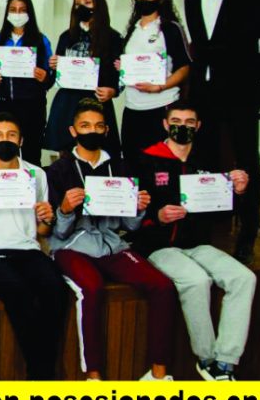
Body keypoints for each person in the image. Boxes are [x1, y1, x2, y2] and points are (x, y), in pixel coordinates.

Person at [46, 98, 174, 381]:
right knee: (92, 288)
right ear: (73, 131)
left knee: (163, 286)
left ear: (106, 130)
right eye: (85, 126)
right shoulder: (57, 170)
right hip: (72, 247)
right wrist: (64, 210)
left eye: (98, 126)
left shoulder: (121, 166)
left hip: (112, 245)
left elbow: (129, 226)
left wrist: (138, 208)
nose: (92, 131)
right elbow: (58, 232)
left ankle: (158, 375)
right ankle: (93, 377)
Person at [128, 101, 256, 381]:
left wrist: (238, 192)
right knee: (197, 281)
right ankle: (206, 357)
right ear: (165, 124)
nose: (182, 127)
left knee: (244, 278)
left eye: (188, 123)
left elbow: (223, 212)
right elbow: (131, 211)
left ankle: (225, 361)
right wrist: (157, 215)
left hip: (198, 245)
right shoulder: (145, 158)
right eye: (176, 121)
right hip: (158, 246)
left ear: (198, 126)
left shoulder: (206, 160)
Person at [183, 0, 260, 265]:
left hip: (240, 95)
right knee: (205, 160)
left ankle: (247, 234)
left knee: (245, 161)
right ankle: (206, 227)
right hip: (204, 95)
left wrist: (250, 80)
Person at [0, 112, 67, 380]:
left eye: (11, 135)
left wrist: (47, 218)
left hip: (28, 248)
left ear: (21, 140)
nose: (4, 139)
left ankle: (40, 372)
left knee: (56, 289)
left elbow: (42, 231)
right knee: (17, 292)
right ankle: (43, 376)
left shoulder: (36, 174)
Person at [119, 0, 192, 167]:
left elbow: (184, 67)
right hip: (132, 108)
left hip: (160, 107)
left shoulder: (170, 28)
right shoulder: (132, 30)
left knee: (160, 167)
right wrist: (122, 67)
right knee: (132, 164)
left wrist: (160, 87)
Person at [44, 0, 123, 157]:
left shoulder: (113, 37)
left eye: (87, 2)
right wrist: (54, 66)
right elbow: (54, 77)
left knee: (100, 153)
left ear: (98, 5)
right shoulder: (66, 36)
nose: (82, 7)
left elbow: (121, 75)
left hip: (97, 102)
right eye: (77, 3)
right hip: (67, 104)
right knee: (66, 157)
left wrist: (113, 91)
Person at [0, 0, 54, 166]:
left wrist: (44, 76)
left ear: (29, 12)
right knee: (4, 154)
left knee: (31, 154)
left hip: (33, 107)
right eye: (13, 9)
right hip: (4, 105)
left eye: (22, 10)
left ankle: (30, 183)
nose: (17, 14)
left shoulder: (41, 40)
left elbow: (51, 76)